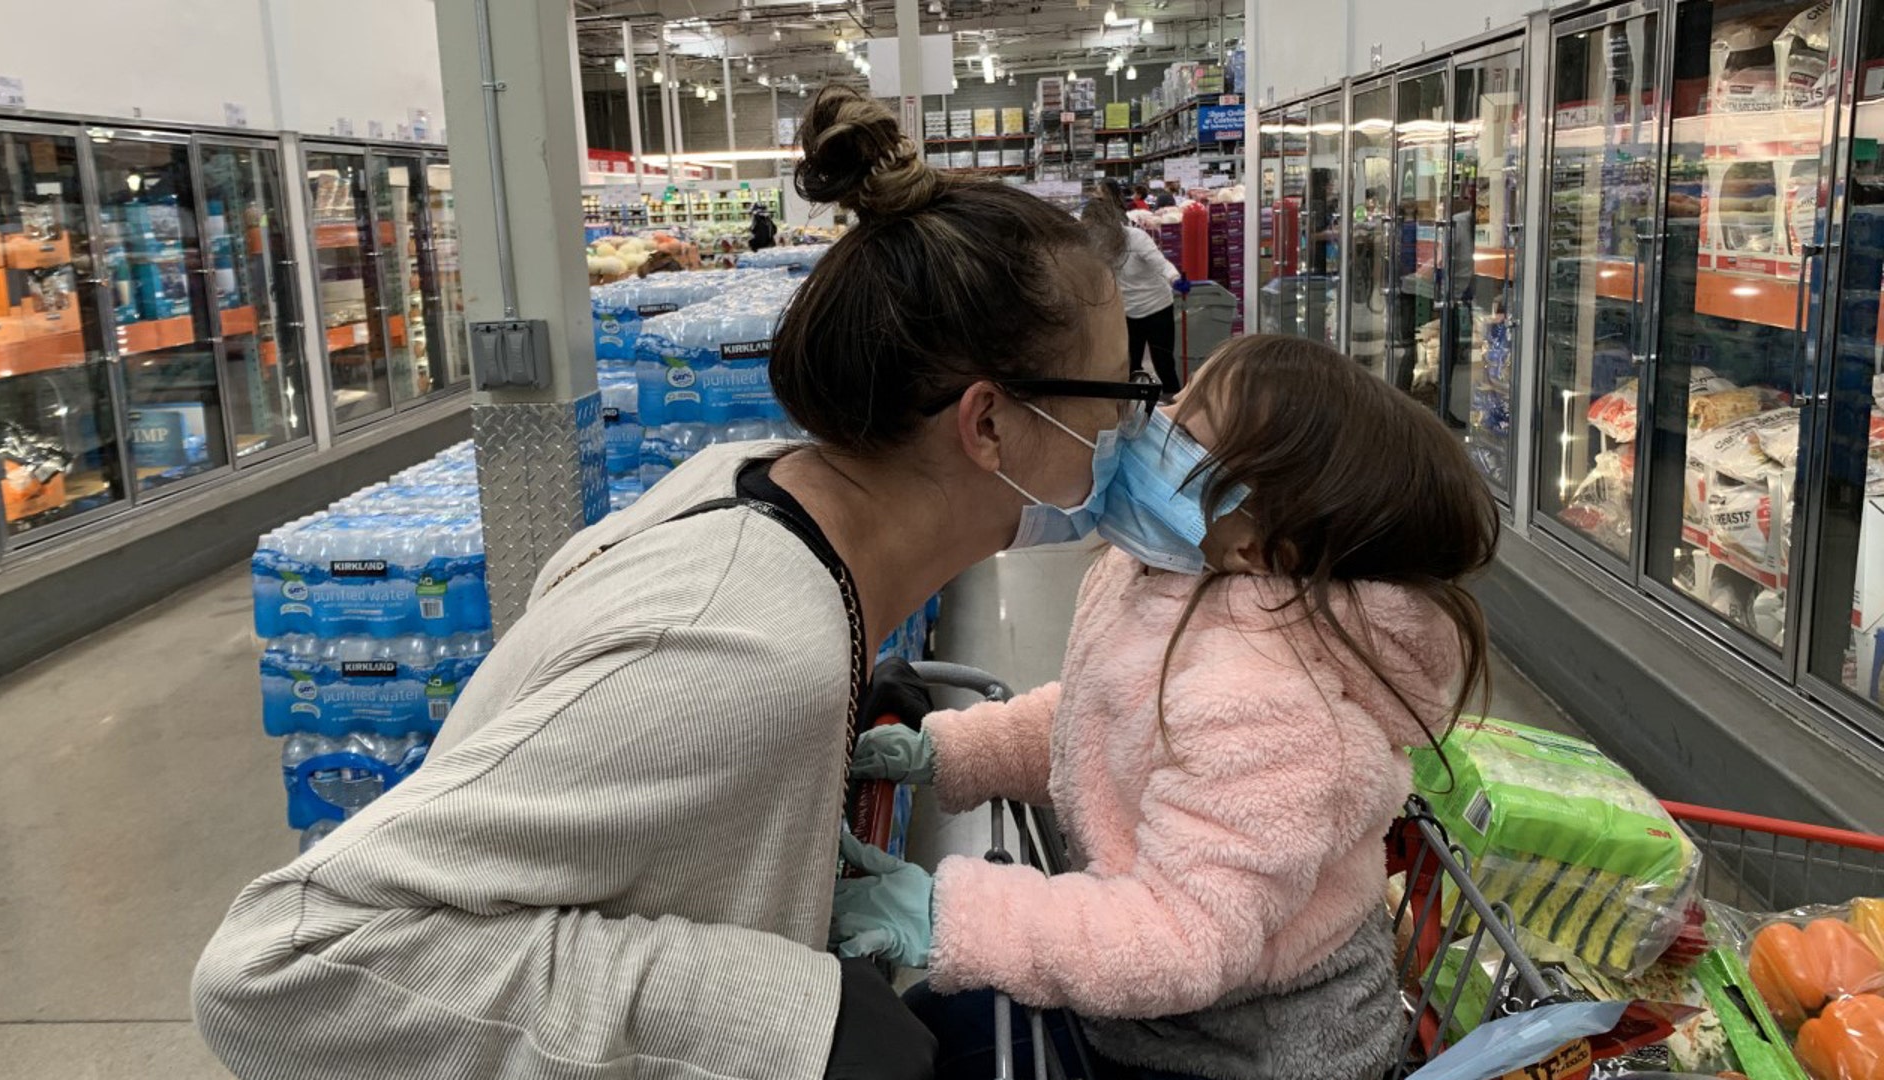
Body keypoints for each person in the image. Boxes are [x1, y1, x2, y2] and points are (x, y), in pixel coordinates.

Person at [191, 84, 1151, 1080]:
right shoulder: (744, 639)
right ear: (987, 423)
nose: (1133, 432)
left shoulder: (765, 495)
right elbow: (284, 962)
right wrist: (779, 1019)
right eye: (1118, 395)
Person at [839, 334, 1501, 1080]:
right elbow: (1103, 722)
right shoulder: (1166, 577)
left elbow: (1179, 940)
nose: (1146, 427)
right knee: (932, 1024)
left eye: (1182, 432)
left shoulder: (1270, 705)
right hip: (1152, 1010)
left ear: (1260, 546)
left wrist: (949, 915)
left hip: (1240, 1055)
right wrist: (953, 751)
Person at [1083, 183, 1185, 396]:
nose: (1094, 233)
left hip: (1157, 307)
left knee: (1163, 363)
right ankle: (1130, 412)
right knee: (1128, 365)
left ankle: (1174, 407)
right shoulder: (1096, 246)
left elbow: (1161, 264)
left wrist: (1175, 279)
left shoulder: (1136, 238)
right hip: (1128, 311)